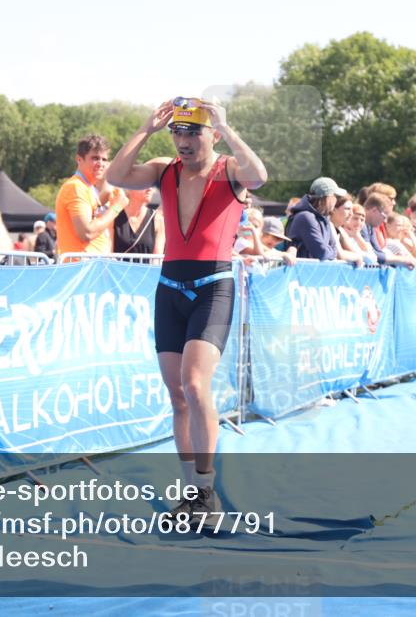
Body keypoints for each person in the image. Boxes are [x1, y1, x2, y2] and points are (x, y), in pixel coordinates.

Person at [104, 97, 267, 521]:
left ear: (211, 134)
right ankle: (190, 494)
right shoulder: (164, 169)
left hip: (214, 286)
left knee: (196, 387)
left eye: (193, 131)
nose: (183, 140)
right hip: (169, 288)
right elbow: (116, 175)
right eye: (177, 131)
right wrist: (144, 129)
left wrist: (228, 128)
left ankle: (206, 491)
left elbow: (260, 176)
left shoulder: (229, 169)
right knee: (177, 395)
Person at [55, 134, 129, 258]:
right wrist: (116, 207)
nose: (101, 164)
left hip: (91, 268)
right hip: (83, 269)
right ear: (79, 159)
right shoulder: (76, 187)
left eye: (104, 159)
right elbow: (86, 233)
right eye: (95, 158)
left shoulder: (86, 187)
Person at [285, 177, 344, 261]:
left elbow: (334, 250)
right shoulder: (305, 217)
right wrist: (331, 252)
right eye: (335, 196)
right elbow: (322, 253)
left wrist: (331, 252)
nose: (336, 200)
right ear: (327, 198)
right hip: (300, 272)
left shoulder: (324, 218)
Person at [114, 187, 165, 255]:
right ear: (129, 187)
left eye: (151, 184)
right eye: (144, 184)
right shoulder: (114, 216)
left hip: (147, 266)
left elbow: (157, 259)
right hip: (117, 265)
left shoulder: (158, 220)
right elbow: (107, 253)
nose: (150, 189)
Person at [328, 194, 366, 264]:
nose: (351, 214)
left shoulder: (340, 229)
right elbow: (340, 255)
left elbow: (355, 251)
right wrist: (358, 257)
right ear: (333, 209)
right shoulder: (328, 225)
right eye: (347, 209)